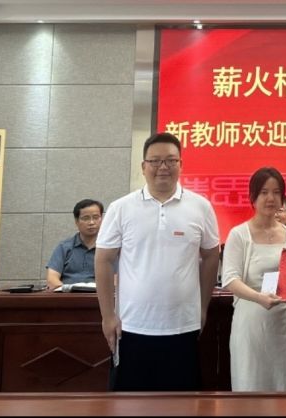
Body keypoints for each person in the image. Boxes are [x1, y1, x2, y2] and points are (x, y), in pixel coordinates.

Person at [94, 132, 221, 391]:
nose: (163, 167)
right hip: (131, 327)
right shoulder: (121, 208)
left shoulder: (201, 207)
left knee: (182, 403)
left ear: (181, 164)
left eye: (171, 160)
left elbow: (211, 255)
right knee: (131, 404)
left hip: (183, 326)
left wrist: (202, 307)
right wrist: (107, 316)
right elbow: (103, 260)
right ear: (143, 166)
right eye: (155, 161)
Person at [220, 167, 286, 392]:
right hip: (251, 322)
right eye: (264, 192)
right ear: (253, 197)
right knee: (251, 383)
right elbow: (230, 279)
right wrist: (259, 297)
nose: (271, 198)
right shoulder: (239, 234)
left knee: (283, 385)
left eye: (276, 192)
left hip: (282, 322)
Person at [46, 199, 104, 289]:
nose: (91, 222)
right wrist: (68, 293)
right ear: (76, 221)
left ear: (102, 219)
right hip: (68, 295)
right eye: (86, 218)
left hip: (99, 295)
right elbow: (52, 280)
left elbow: (116, 279)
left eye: (96, 217)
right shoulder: (64, 247)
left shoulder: (109, 248)